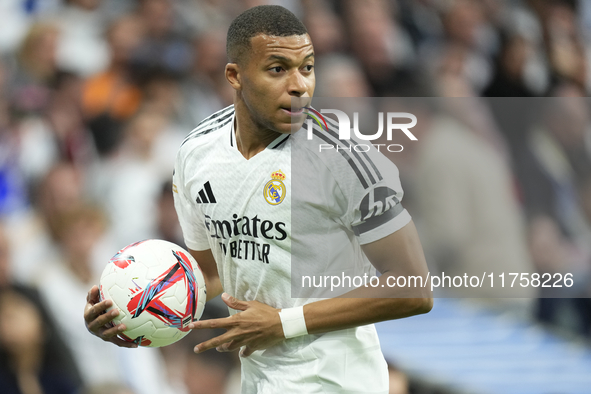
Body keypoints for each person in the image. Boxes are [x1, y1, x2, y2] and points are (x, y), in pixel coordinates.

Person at [84, 5, 432, 393]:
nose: (299, 85)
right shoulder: (196, 154)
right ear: (235, 75)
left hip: (339, 382)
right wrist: (129, 311)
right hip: (258, 381)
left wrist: (285, 323)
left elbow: (412, 287)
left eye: (307, 67)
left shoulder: (346, 160)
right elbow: (212, 271)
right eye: (278, 69)